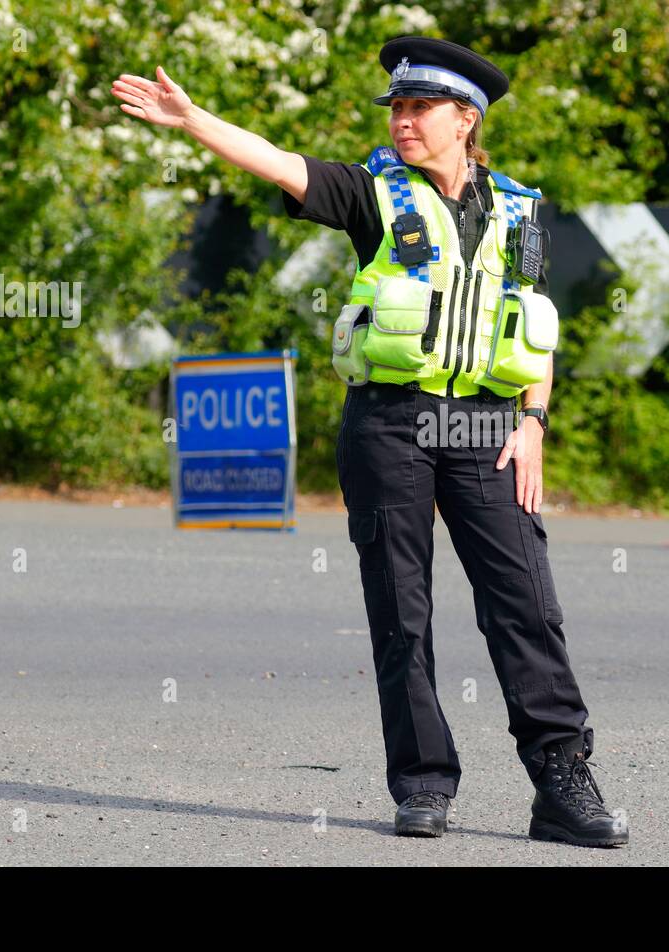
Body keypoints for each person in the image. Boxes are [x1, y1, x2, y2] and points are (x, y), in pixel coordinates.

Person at [111, 36, 626, 847]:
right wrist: (190, 119)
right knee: (400, 607)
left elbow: (534, 329)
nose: (403, 120)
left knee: (526, 606)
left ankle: (561, 782)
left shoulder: (521, 209)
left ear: (467, 119)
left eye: (420, 107)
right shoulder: (370, 191)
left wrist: (535, 423)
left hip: (489, 427)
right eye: (396, 106)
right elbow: (279, 163)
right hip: (390, 422)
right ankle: (423, 783)